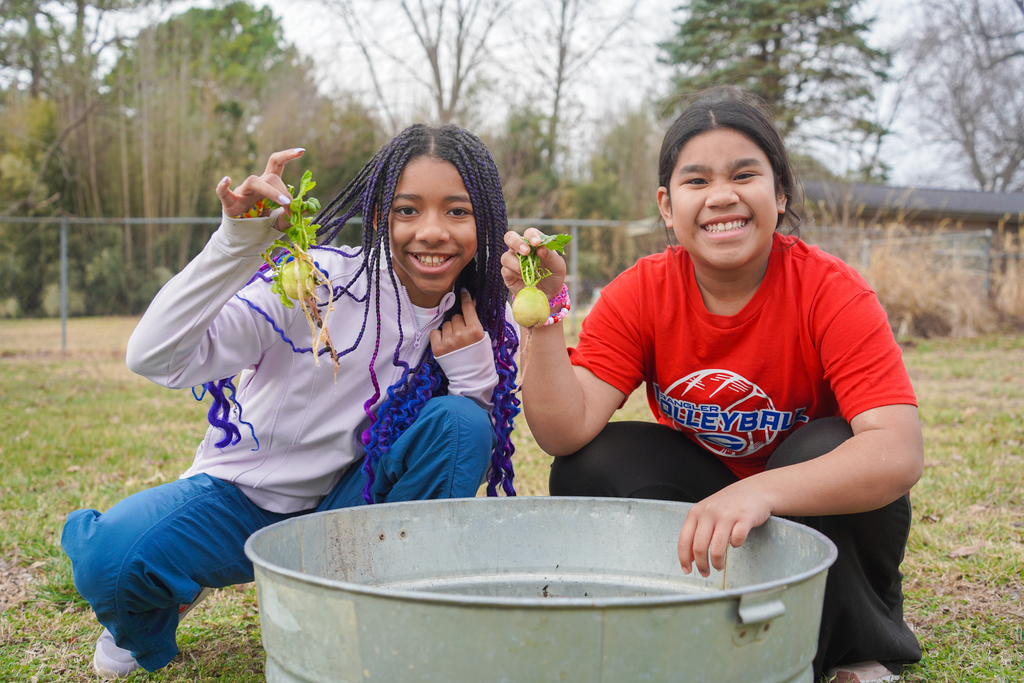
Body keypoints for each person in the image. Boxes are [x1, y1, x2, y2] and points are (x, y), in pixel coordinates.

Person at [62, 123, 520, 678]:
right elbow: (155, 356)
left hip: (353, 509)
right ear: (378, 217)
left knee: (460, 423)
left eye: (456, 211)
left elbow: (461, 446)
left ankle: (398, 613)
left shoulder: (474, 316)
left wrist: (472, 378)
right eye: (407, 210)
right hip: (240, 503)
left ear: (485, 223)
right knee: (112, 562)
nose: (431, 232)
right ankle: (162, 606)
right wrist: (235, 242)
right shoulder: (315, 281)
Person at [502, 87, 923, 683]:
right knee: (590, 464)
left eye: (745, 174)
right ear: (668, 206)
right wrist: (544, 318)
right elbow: (562, 430)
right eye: (696, 181)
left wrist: (762, 493)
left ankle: (853, 647)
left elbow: (898, 450)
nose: (722, 195)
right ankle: (684, 621)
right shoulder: (641, 291)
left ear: (779, 193)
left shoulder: (831, 291)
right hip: (709, 501)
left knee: (827, 443)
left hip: (818, 512)